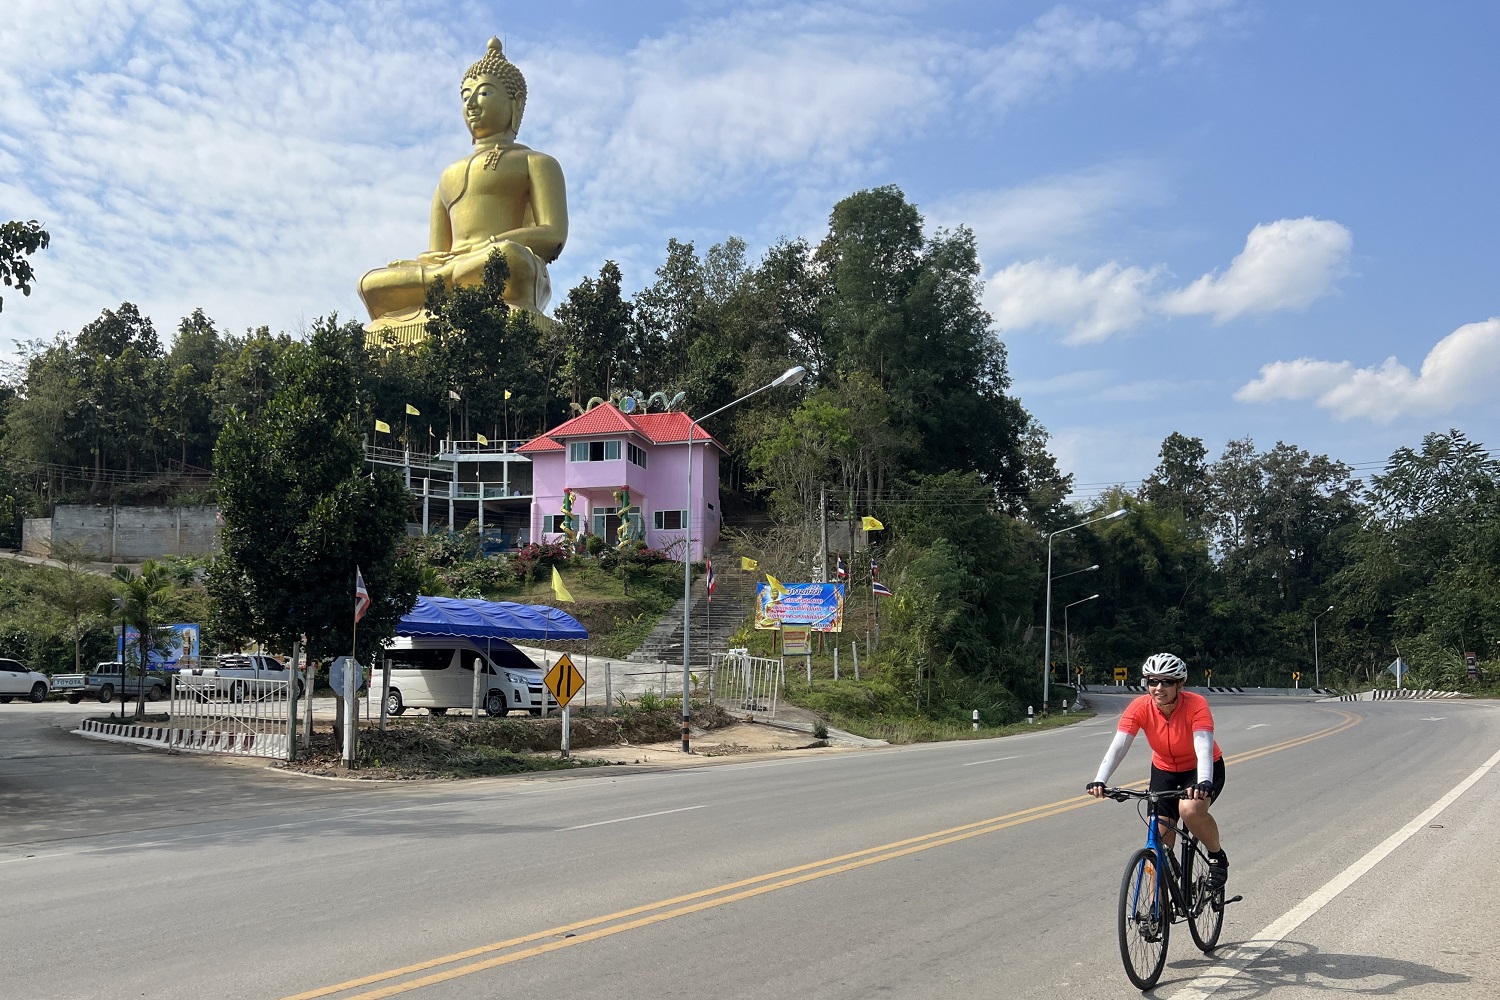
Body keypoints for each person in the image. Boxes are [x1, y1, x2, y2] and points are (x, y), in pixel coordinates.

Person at [359, 37, 569, 336]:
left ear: (516, 102)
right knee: (370, 283)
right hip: (454, 267)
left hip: (500, 265)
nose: (471, 104)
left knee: (510, 258)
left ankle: (444, 283)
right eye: (465, 96)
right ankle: (444, 283)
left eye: (484, 93)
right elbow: (438, 251)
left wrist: (491, 244)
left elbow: (553, 235)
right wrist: (426, 263)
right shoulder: (449, 174)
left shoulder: (535, 162)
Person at [1086, 652, 1229, 890]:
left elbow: (1203, 746)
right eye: (1153, 681)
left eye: (1166, 682)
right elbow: (1119, 746)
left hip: (1200, 769)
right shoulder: (1140, 707)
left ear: (1179, 685)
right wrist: (1100, 779)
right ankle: (1155, 908)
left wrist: (1204, 780)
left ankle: (1217, 858)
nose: (1158, 688)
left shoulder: (1196, 704)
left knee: (1190, 810)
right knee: (1158, 841)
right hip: (1165, 770)